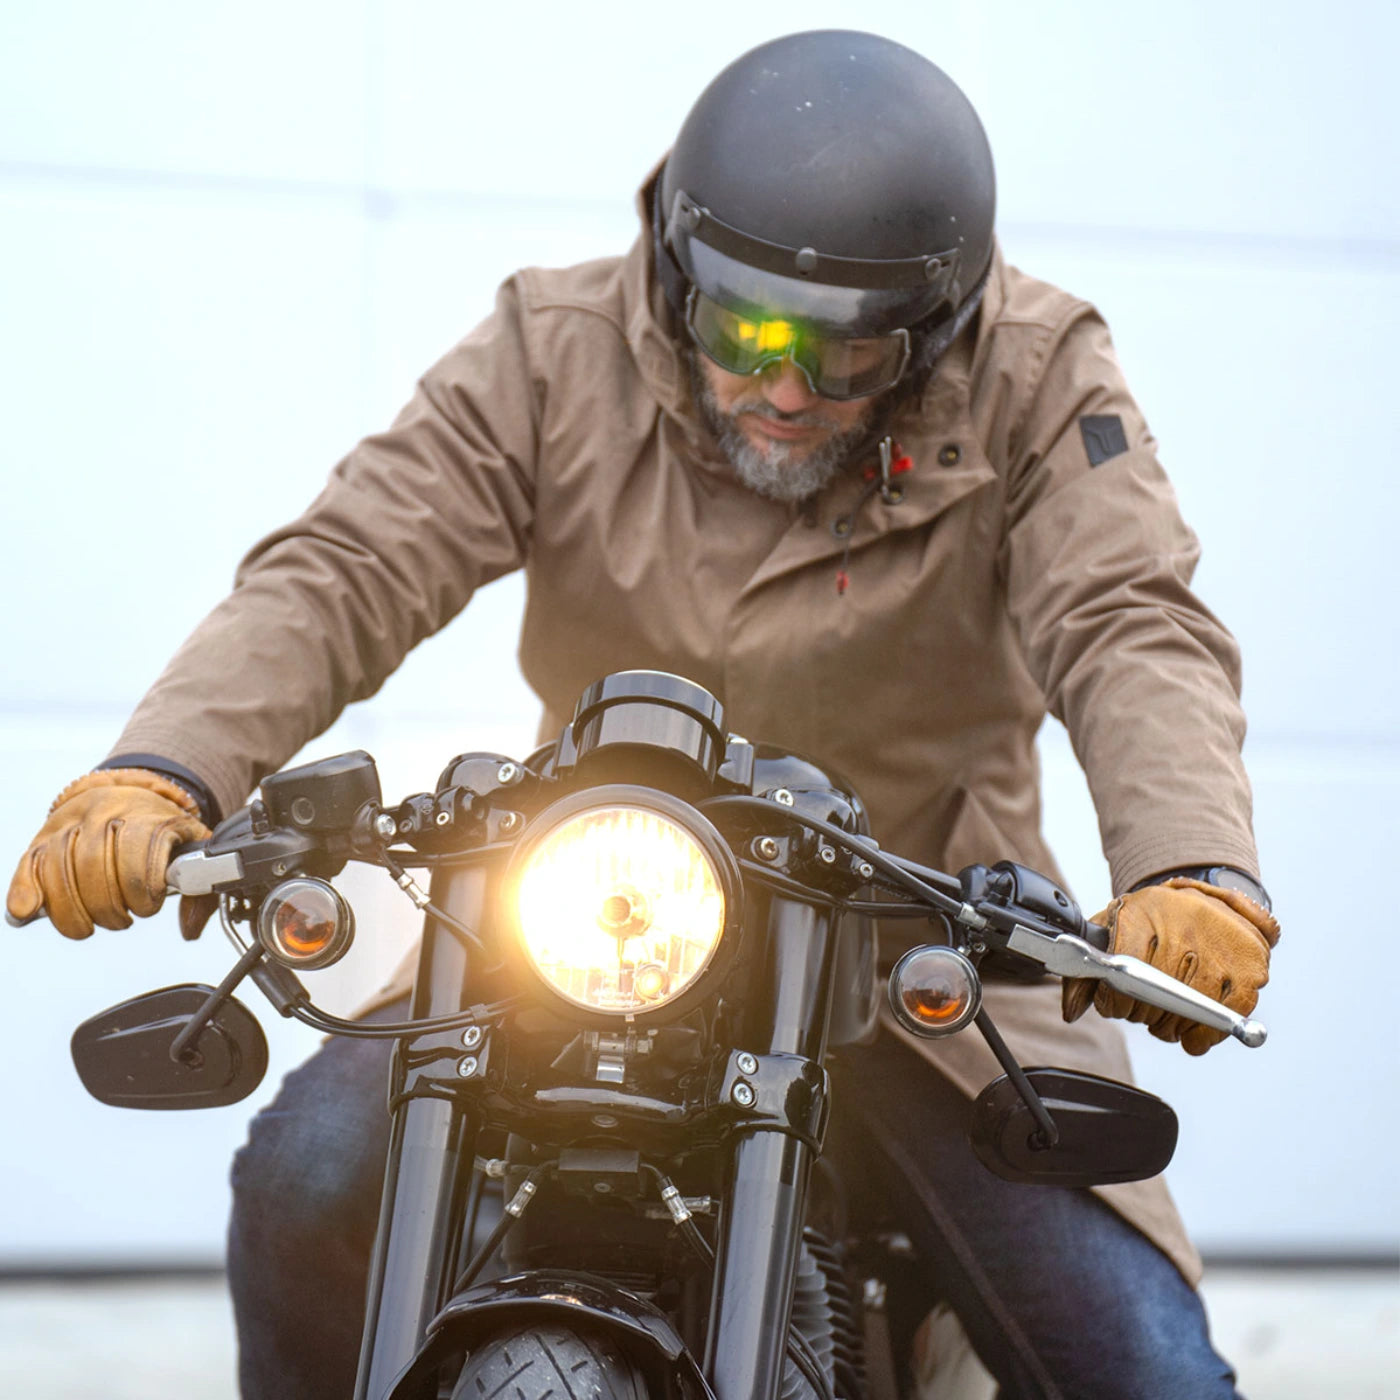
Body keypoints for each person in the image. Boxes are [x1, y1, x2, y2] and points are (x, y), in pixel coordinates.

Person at [7, 29, 1279, 1400]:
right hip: (582, 903)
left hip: (913, 925)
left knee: (1136, 1367)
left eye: (850, 358)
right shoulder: (554, 347)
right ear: (678, 272)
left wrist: (1192, 863)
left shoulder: (1039, 377)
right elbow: (348, 563)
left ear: (942, 332)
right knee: (306, 1178)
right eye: (750, 333)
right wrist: (160, 769)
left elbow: (1130, 618)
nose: (789, 389)